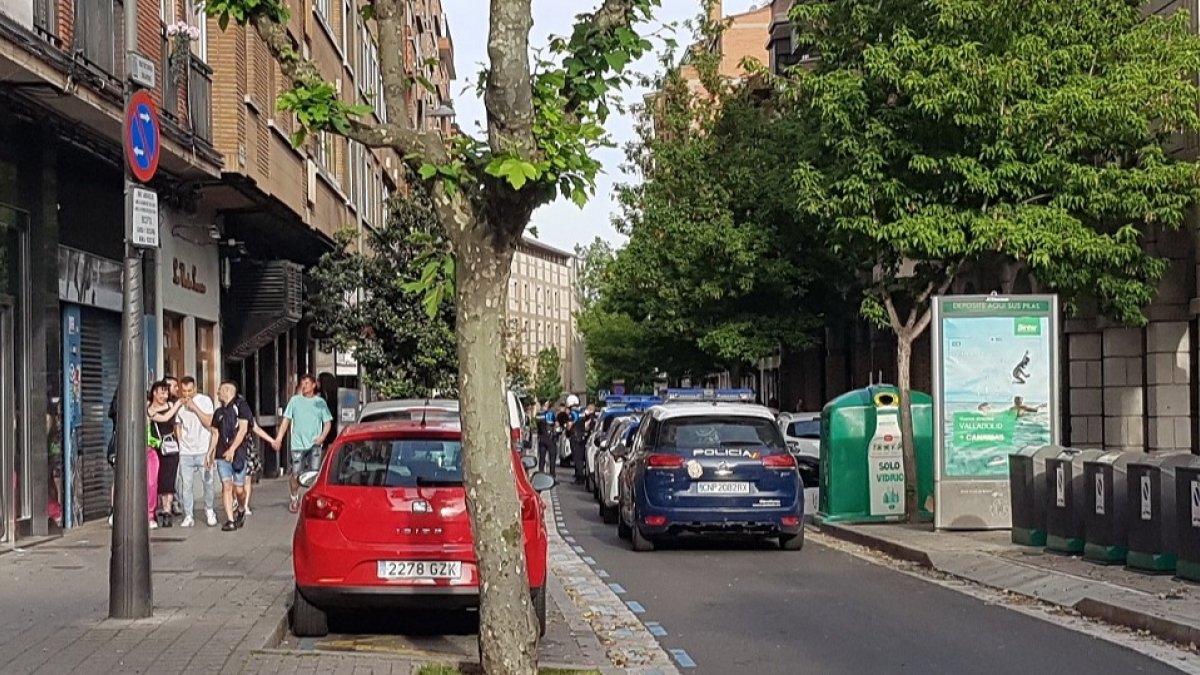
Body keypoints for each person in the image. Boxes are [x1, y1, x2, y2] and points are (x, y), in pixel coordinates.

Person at [276, 374, 333, 514]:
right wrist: (279, 438)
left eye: (307, 383)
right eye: (303, 383)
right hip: (297, 444)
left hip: (314, 444)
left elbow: (327, 423)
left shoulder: (320, 403)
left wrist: (322, 437)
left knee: (314, 474)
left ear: (314, 385)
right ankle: (294, 497)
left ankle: (311, 499)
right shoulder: (295, 401)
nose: (304, 385)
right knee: (296, 473)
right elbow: (286, 420)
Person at [209, 380, 253, 531]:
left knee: (239, 489)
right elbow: (215, 434)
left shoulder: (241, 407)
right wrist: (210, 453)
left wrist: (233, 449)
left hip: (238, 454)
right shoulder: (218, 413)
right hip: (222, 455)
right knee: (226, 485)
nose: (218, 393)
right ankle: (230, 520)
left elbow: (243, 429)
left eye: (220, 390)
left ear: (227, 391)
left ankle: (241, 508)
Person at [177, 376, 218, 527]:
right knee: (186, 485)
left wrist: (194, 407)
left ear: (195, 388)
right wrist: (181, 441)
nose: (187, 394)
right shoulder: (180, 405)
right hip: (186, 451)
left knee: (208, 481)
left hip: (203, 449)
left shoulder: (205, 401)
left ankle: (209, 510)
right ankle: (188, 515)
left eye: (190, 390)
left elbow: (209, 422)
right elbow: (177, 424)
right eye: (184, 391)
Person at [147, 380, 184, 528]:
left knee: (169, 480)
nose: (165, 395)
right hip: (155, 448)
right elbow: (165, 418)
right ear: (154, 392)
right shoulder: (149, 409)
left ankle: (167, 512)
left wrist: (181, 443)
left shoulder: (170, 406)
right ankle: (155, 511)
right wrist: (176, 405)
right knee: (156, 481)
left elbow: (176, 426)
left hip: (171, 447)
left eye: (166, 392)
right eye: (162, 392)